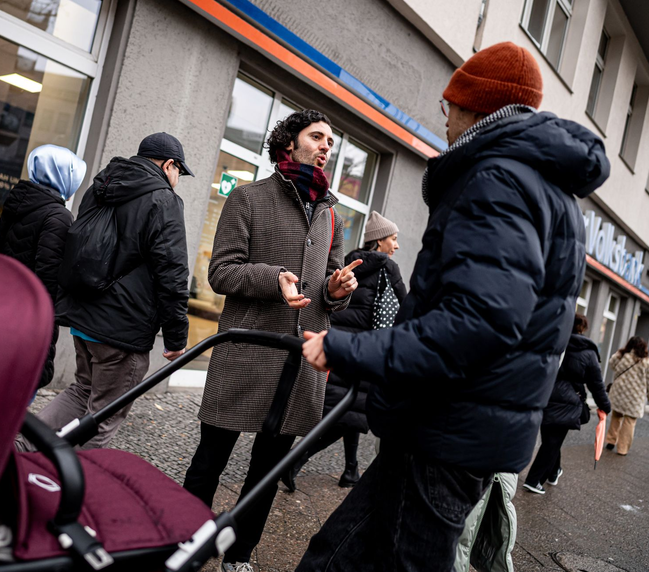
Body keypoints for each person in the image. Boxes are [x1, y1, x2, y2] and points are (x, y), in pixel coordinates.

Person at [297, 41, 610, 572]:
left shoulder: (498, 179)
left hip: (444, 432)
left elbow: (477, 323)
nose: (444, 118)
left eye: (449, 105)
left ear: (474, 107)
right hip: (451, 428)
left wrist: (348, 348)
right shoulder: (546, 188)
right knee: (334, 557)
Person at [182, 109, 361, 572]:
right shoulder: (248, 198)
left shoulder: (331, 214)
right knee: (209, 462)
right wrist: (273, 277)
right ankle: (181, 541)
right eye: (317, 137)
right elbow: (221, 271)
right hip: (246, 354)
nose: (326, 147)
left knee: (267, 473)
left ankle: (240, 554)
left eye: (330, 142)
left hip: (299, 365)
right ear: (288, 142)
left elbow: (330, 286)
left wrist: (336, 290)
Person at [36, 132, 194, 449]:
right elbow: (173, 272)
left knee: (82, 391)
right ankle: (70, 478)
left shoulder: (102, 185)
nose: (178, 179)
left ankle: (18, 446)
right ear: (169, 165)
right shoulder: (164, 200)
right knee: (103, 418)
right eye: (179, 171)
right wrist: (176, 336)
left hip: (84, 319)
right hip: (122, 330)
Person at [281, 211, 405, 492]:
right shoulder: (388, 269)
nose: (396, 245)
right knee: (346, 414)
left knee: (349, 411)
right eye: (393, 239)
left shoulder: (351, 263)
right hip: (363, 351)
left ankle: (350, 470)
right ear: (379, 241)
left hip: (338, 346)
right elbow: (405, 308)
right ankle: (294, 460)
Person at [0, 144, 86, 388]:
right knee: (23, 384)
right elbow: (48, 279)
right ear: (62, 176)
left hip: (1, 306)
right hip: (30, 318)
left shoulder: (17, 202)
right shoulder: (58, 216)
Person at [523, 313, 610, 493]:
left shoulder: (555, 343)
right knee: (552, 442)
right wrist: (605, 405)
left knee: (551, 439)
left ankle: (554, 471)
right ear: (583, 328)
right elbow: (596, 383)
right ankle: (534, 480)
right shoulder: (588, 352)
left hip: (545, 395)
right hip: (568, 401)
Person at [605, 336, 649, 455]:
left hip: (619, 393)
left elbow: (612, 364)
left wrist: (620, 352)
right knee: (629, 422)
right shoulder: (646, 362)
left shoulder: (622, 356)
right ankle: (622, 449)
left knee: (616, 416)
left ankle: (611, 441)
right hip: (635, 397)